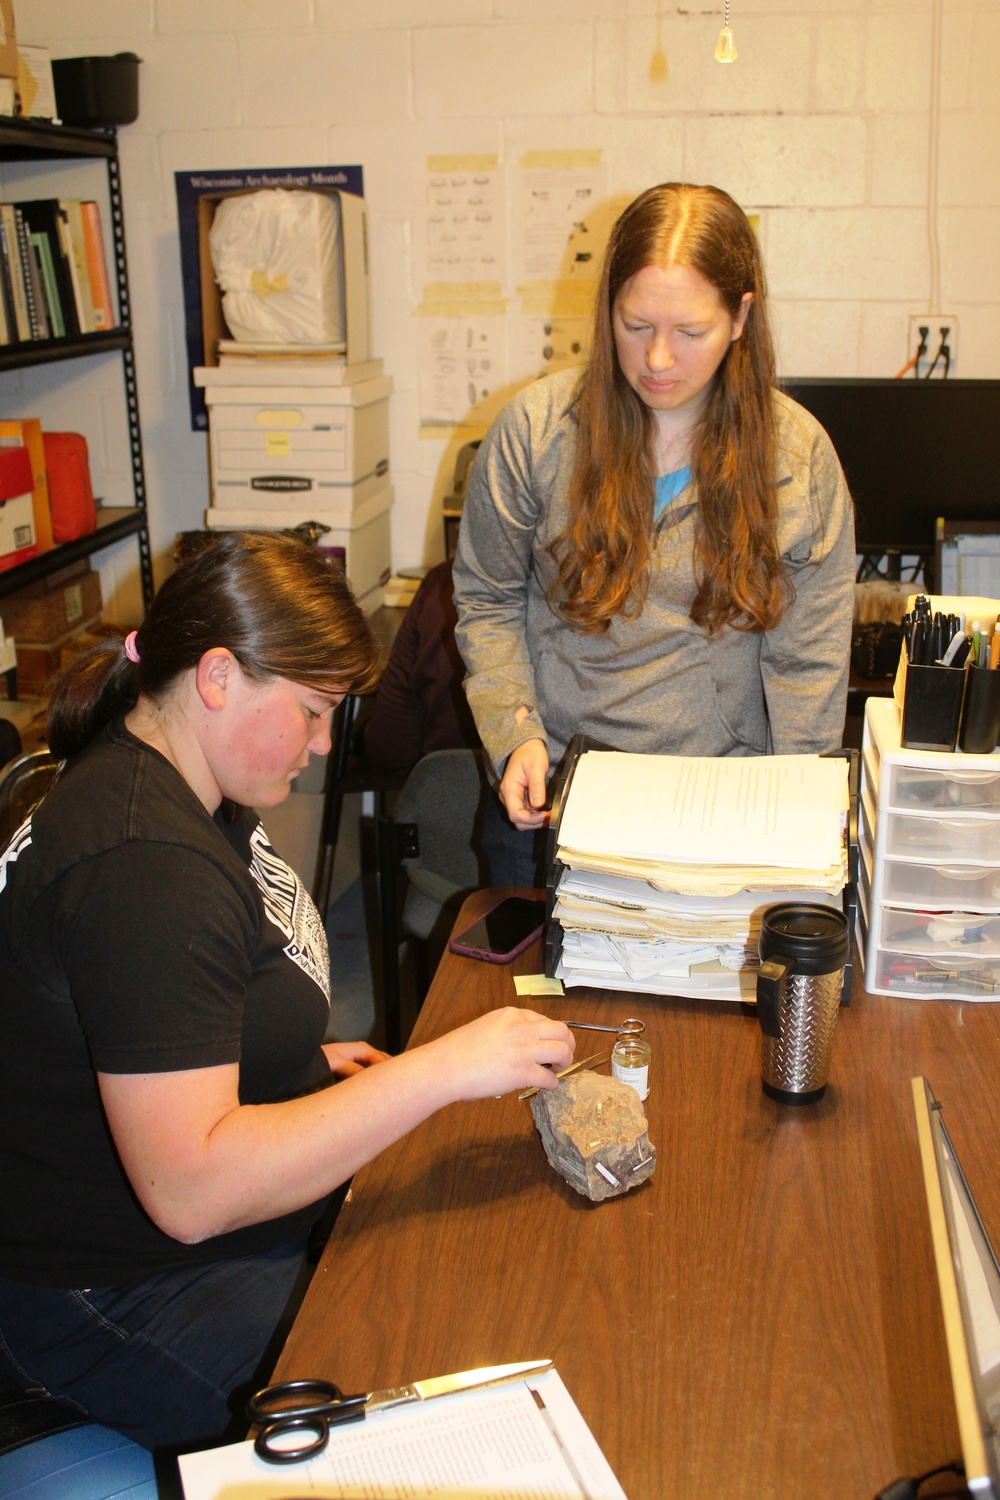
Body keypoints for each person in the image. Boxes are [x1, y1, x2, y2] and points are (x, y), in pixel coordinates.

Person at [0, 531, 573, 1452]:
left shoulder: (178, 773)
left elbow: (161, 1008)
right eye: (311, 713)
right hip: (110, 1291)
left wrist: (286, 1059)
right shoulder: (143, 864)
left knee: (460, 1270)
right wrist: (434, 1072)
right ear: (218, 676)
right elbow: (191, 1190)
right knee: (434, 1404)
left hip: (160, 1223)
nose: (320, 745)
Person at [452, 182, 855, 886]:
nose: (658, 360)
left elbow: (808, 665)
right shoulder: (537, 434)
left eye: (689, 332)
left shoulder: (796, 460)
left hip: (724, 804)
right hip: (557, 792)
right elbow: (487, 600)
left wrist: (804, 826)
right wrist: (514, 735)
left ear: (740, 317)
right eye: (635, 325)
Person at [362, 558, 481, 779]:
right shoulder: (560, 592)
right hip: (544, 795)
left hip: (441, 785)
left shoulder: (443, 582)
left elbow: (390, 747)